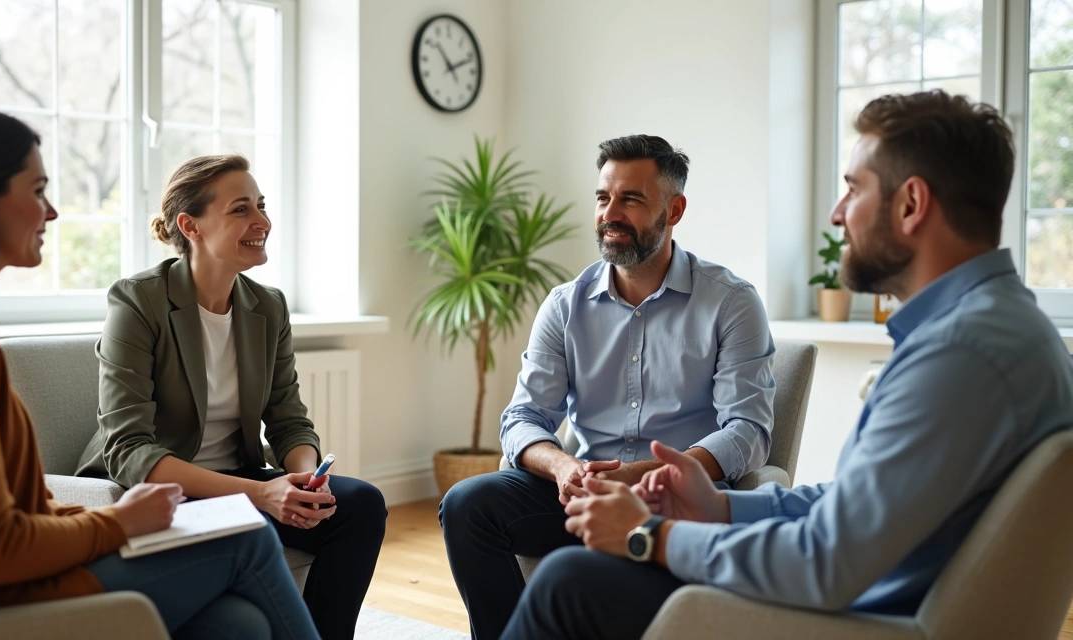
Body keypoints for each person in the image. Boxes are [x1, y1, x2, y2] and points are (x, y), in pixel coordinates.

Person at [501, 90, 1073, 640]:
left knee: (567, 583)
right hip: (879, 594)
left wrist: (649, 537)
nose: (837, 213)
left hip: (863, 619)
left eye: (853, 189)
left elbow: (827, 559)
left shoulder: (958, 357)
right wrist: (721, 506)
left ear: (911, 204)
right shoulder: (997, 329)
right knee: (514, 534)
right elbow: (851, 507)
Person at [0, 102, 319, 640]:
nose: (51, 212)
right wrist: (120, 521)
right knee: (246, 538)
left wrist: (101, 522)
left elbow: (7, 512)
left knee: (236, 624)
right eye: (36, 191)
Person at [440, 134, 776, 639]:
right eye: (603, 197)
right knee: (467, 505)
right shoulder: (564, 304)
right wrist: (563, 467)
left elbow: (747, 431)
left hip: (677, 500)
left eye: (631, 199)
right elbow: (522, 418)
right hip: (581, 490)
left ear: (675, 209)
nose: (610, 213)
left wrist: (640, 475)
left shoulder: (731, 302)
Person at [76, 154, 386, 640]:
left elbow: (288, 418)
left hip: (239, 478)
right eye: (241, 209)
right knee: (251, 532)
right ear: (190, 226)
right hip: (160, 492)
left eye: (261, 205)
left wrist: (300, 475)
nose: (262, 221)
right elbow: (129, 449)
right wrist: (263, 493)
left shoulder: (268, 305)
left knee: (360, 504)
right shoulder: (138, 301)